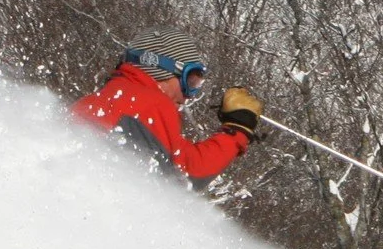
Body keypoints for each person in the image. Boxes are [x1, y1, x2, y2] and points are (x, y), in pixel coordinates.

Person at [72, 26, 262, 186]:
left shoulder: (93, 101)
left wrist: (234, 131)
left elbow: (181, 158)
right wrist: (238, 128)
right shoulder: (151, 104)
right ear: (159, 70)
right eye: (190, 81)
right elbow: (184, 175)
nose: (187, 96)